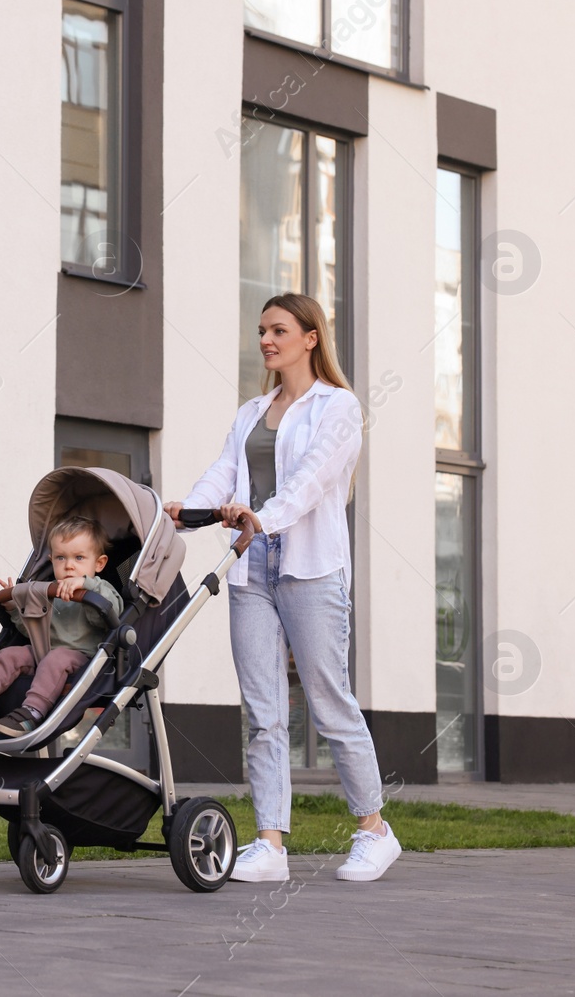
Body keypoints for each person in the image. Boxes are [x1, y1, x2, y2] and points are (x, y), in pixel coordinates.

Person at [165, 293, 400, 883]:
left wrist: (261, 517)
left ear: (311, 338)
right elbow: (225, 471)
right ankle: (270, 843)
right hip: (250, 569)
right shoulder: (251, 411)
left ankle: (374, 829)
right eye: (263, 331)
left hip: (311, 569)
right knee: (263, 713)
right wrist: (188, 509)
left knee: (329, 702)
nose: (267, 341)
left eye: (279, 330)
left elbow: (313, 478)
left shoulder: (338, 407)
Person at [0, 516, 124, 737]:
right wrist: (14, 607)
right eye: (61, 558)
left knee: (57, 658)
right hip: (42, 652)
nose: (69, 565)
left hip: (81, 660)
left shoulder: (101, 588)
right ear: (52, 560)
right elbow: (31, 630)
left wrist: (85, 584)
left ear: (99, 563)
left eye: (79, 558)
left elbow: (111, 612)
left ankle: (32, 712)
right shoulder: (47, 593)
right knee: (12, 653)